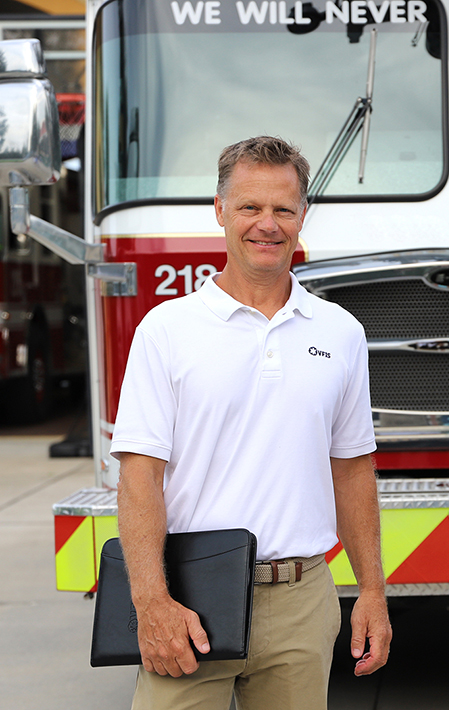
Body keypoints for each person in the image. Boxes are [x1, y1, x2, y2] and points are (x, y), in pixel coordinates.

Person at [111, 136, 391, 710]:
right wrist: (152, 603)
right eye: (250, 207)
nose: (268, 224)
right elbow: (139, 479)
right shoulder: (165, 330)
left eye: (284, 209)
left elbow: (354, 470)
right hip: (190, 596)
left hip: (301, 600)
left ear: (303, 216)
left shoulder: (340, 332)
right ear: (219, 210)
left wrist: (372, 591)